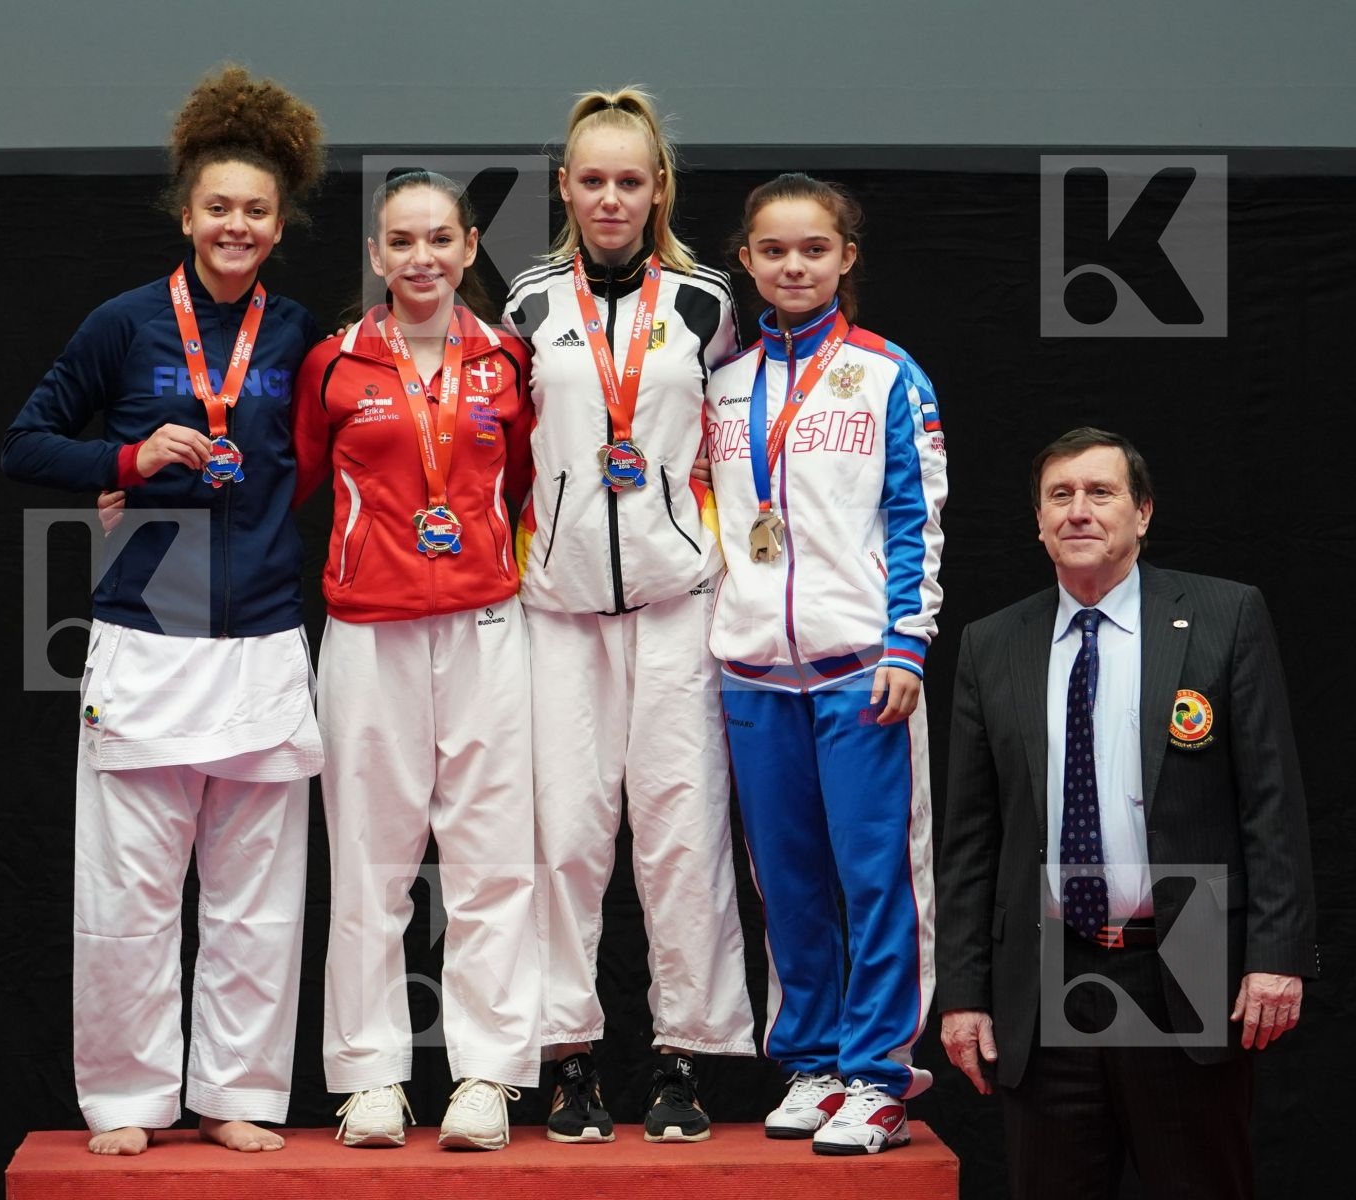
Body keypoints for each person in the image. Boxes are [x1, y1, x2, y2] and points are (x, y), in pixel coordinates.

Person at [0, 65, 325, 1156]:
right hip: (145, 635)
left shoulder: (299, 337)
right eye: (218, 207)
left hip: (266, 638)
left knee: (256, 901)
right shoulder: (126, 325)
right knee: (130, 893)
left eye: (256, 212)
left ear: (280, 228)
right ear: (187, 215)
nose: (236, 225)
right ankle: (130, 1100)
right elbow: (24, 442)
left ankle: (236, 1093)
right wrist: (126, 457)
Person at [938, 427, 1316, 1198]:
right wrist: (964, 995)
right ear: (1038, 522)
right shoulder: (992, 644)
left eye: (1100, 493)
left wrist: (1276, 954)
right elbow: (971, 841)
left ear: (1142, 514)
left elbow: (1271, 800)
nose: (1079, 511)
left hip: (1182, 960)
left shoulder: (1223, 616)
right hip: (1044, 981)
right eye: (1060, 496)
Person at [503, 87, 756, 1144]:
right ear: (564, 187)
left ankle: (680, 1059)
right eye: (592, 179)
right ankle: (567, 1061)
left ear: (660, 191)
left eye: (631, 180)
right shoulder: (523, 302)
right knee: (563, 841)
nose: (611, 197)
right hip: (557, 610)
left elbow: (740, 449)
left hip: (674, 604)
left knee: (681, 839)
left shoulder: (708, 301)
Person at [292, 170, 538, 1151]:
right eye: (402, 241)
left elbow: (520, 484)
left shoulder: (507, 361)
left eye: (440, 239)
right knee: (367, 858)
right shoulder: (333, 363)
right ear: (377, 254)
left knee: (490, 857)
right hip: (368, 630)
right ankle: (370, 1078)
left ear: (471, 246)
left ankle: (487, 1074)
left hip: (483, 626)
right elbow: (291, 481)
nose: (422, 258)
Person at [703, 173, 946, 1155]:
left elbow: (915, 517)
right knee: (789, 880)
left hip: (860, 668)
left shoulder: (889, 375)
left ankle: (879, 1073)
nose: (793, 265)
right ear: (748, 260)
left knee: (877, 873)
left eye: (813, 249)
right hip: (755, 670)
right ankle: (810, 1061)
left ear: (846, 258)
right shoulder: (720, 383)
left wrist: (909, 642)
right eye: (773, 250)